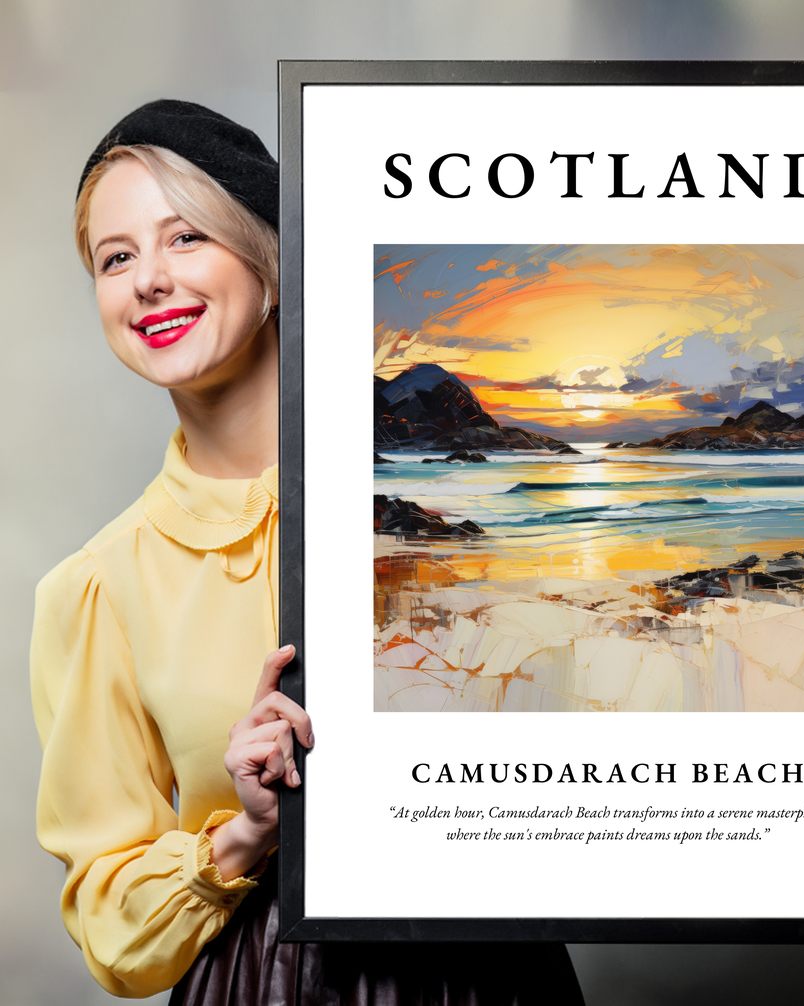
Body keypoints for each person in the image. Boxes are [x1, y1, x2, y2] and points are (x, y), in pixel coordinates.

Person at [30, 100, 586, 1004]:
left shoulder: (441, 511)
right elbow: (110, 924)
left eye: (185, 238)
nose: (148, 281)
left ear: (272, 263)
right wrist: (245, 832)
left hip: (494, 972)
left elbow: (606, 712)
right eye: (116, 257)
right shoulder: (97, 587)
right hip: (263, 981)